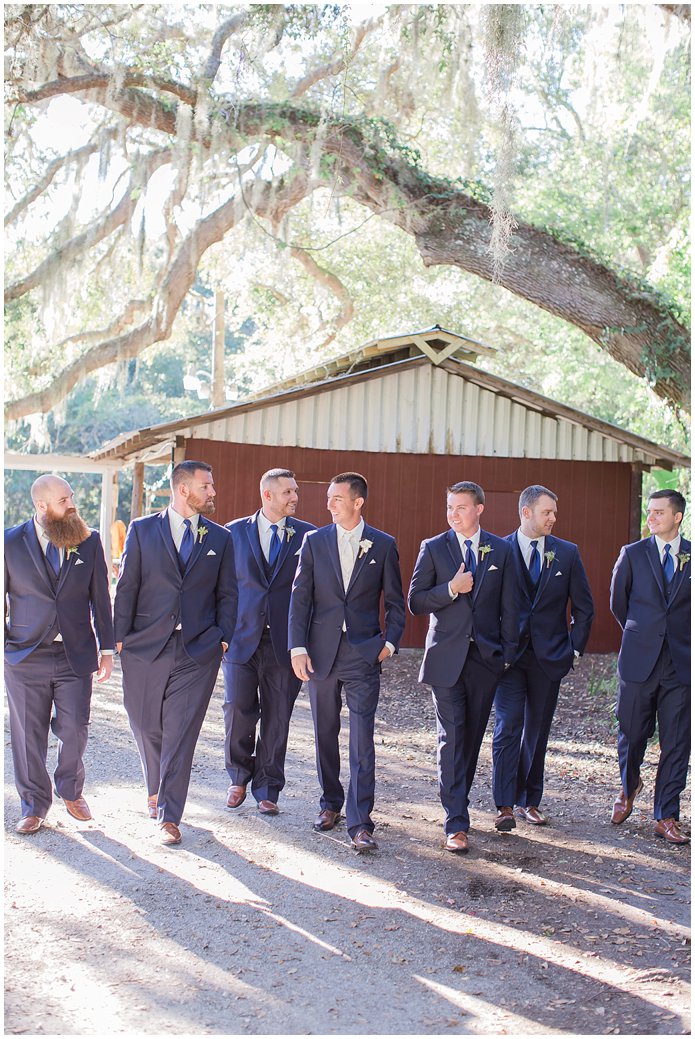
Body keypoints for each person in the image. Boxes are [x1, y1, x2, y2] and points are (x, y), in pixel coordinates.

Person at [114, 460, 235, 845]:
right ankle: (155, 784)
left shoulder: (220, 538)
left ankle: (169, 814)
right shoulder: (142, 529)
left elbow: (228, 594)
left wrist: (223, 637)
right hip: (144, 644)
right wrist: (117, 638)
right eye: (207, 485)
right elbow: (127, 585)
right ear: (184, 489)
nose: (213, 492)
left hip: (198, 649)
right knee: (146, 723)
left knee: (181, 733)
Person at [289, 472, 405, 852]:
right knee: (324, 732)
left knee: (361, 739)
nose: (329, 504)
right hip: (320, 655)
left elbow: (394, 603)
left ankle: (360, 821)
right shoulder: (314, 541)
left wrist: (389, 643)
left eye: (337, 498)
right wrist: (297, 647)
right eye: (328, 498)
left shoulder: (383, 545)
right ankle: (330, 803)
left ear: (358, 502)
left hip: (363, 654)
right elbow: (300, 598)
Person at [408, 480, 518, 853]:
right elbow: (417, 601)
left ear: (479, 509)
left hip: (486, 660)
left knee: (470, 739)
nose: (453, 514)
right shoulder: (433, 548)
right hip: (445, 658)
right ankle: (456, 821)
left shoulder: (501, 550)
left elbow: (512, 607)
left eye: (460, 508)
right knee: (451, 737)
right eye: (449, 507)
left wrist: (505, 655)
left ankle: (458, 800)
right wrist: (452, 588)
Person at [4, 475, 114, 834]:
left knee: (75, 728)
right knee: (27, 735)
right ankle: (34, 805)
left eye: (71, 497)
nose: (72, 505)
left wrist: (108, 649)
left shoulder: (89, 540)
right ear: (41, 505)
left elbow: (101, 599)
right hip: (24, 655)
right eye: (63, 500)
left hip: (75, 654)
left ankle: (70, 788)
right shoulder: (9, 542)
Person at [491, 485, 594, 830]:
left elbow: (584, 608)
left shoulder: (567, 553)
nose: (553, 518)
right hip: (509, 657)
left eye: (554, 512)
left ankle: (529, 800)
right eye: (547, 512)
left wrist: (573, 650)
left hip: (549, 658)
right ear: (526, 512)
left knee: (537, 731)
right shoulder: (499, 549)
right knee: (507, 727)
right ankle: (504, 804)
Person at [222, 468, 315, 815]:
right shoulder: (232, 533)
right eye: (288, 491)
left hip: (285, 644)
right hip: (239, 640)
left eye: (295, 491)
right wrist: (221, 632)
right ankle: (237, 776)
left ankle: (267, 787)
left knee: (278, 716)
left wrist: (305, 643)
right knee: (237, 710)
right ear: (267, 495)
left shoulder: (308, 536)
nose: (294, 497)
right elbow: (221, 587)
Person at [609, 489, 690, 845]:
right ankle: (629, 786)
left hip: (682, 664)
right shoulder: (632, 554)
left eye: (658, 512)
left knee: (677, 742)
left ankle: (666, 815)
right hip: (639, 659)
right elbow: (618, 603)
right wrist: (643, 633)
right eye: (649, 512)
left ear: (677, 517)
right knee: (632, 733)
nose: (651, 518)